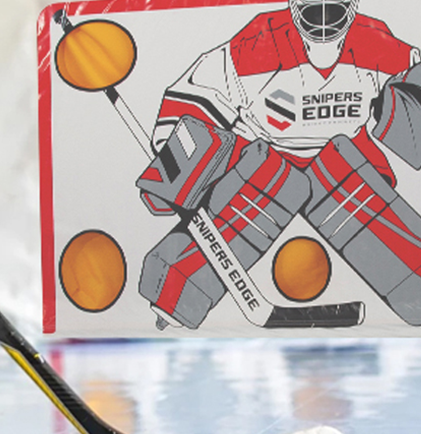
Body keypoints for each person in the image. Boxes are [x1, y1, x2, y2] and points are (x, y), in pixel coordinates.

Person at [136, 0, 421, 329]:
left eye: (333, 8)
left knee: (349, 179)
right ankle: (175, 296)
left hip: (341, 153)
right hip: (266, 155)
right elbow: (192, 100)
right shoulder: (255, 43)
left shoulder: (377, 43)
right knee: (272, 180)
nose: (324, 19)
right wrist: (180, 170)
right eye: (314, 9)